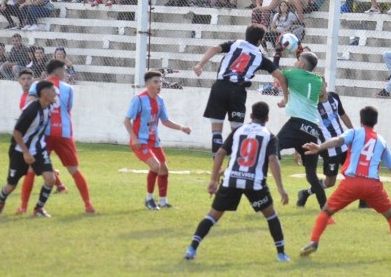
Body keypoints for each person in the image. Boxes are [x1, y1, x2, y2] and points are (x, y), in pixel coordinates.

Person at [299, 106, 391, 261]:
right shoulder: (381, 141)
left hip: (351, 183)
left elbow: (338, 140)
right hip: (373, 186)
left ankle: (314, 241)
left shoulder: (354, 133)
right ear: (376, 122)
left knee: (326, 211)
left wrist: (320, 147)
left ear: (361, 120)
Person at [184, 101, 290, 262]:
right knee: (271, 216)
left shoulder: (238, 131)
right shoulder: (269, 135)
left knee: (213, 216)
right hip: (255, 183)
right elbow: (273, 159)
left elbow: (220, 153)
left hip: (231, 179)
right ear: (267, 118)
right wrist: (281, 189)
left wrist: (213, 179)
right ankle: (281, 254)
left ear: (251, 116)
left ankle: (191, 249)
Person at [193, 24, 287, 155]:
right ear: (260, 41)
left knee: (216, 131)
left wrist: (200, 64)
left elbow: (215, 48)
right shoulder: (260, 57)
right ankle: (234, 164)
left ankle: (217, 165)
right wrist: (286, 98)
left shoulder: (235, 44)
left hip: (219, 87)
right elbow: (280, 77)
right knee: (236, 133)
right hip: (237, 91)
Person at [23, 59, 96, 213]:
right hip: (64, 134)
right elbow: (68, 108)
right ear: (58, 72)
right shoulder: (68, 89)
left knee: (31, 170)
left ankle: (23, 207)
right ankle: (88, 205)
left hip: (44, 134)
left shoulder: (37, 85)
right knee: (74, 170)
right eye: (64, 70)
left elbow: (28, 106)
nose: (66, 73)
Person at [124, 70, 192, 210]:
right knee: (155, 166)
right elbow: (126, 121)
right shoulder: (139, 99)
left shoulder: (160, 101)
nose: (159, 84)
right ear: (148, 84)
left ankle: (163, 201)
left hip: (154, 142)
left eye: (160, 82)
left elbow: (165, 121)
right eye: (156, 82)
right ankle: (149, 199)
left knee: (164, 170)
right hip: (140, 142)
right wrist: (134, 138)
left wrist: (181, 128)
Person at [0, 80, 58, 217]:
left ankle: (38, 209)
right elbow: (16, 132)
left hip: (39, 149)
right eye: (52, 91)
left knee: (51, 179)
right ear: (44, 94)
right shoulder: (31, 110)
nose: (55, 94)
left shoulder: (50, 106)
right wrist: (26, 153)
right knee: (11, 185)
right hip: (19, 151)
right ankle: (0, 202)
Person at [276, 52, 328, 211]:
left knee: (273, 146)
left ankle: (267, 175)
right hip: (312, 128)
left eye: (298, 60)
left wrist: (278, 54)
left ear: (303, 65)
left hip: (297, 123)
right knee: (311, 175)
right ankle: (325, 209)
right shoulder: (318, 79)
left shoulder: (294, 74)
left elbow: (276, 74)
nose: (295, 62)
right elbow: (323, 97)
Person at [15, 69, 66, 214]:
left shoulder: (39, 99)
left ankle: (25, 206)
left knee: (34, 167)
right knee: (41, 165)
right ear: (19, 81)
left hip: (37, 139)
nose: (26, 81)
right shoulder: (24, 99)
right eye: (23, 79)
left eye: (28, 79)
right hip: (32, 138)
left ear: (33, 81)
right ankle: (59, 186)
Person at [296, 87, 353, 208]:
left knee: (355, 172)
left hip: (343, 144)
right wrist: (298, 150)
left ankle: (364, 202)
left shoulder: (334, 97)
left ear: (325, 84)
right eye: (317, 87)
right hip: (328, 149)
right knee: (330, 182)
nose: (320, 89)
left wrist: (353, 132)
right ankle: (305, 193)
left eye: (321, 85)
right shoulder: (311, 106)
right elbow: (304, 129)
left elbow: (342, 114)